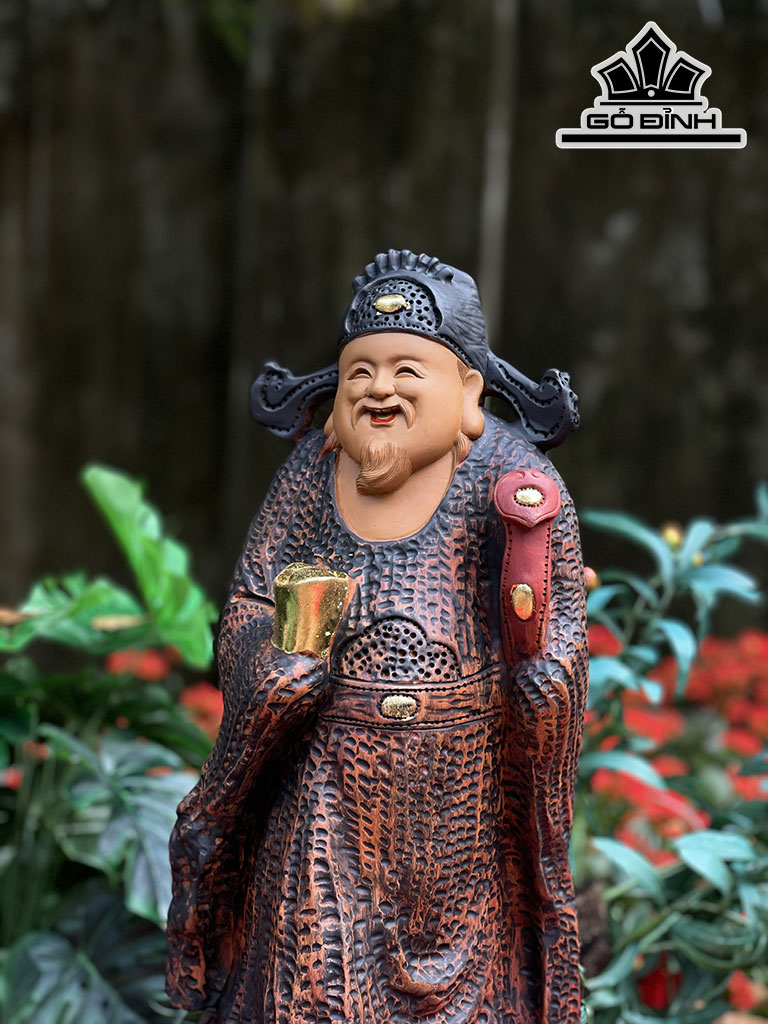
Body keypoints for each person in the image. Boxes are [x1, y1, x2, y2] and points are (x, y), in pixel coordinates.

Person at [166, 249, 588, 1024]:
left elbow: (560, 626)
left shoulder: (517, 482)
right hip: (326, 782)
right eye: (359, 372)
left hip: (462, 796)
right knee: (310, 983)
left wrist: (546, 674)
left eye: (405, 370)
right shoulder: (311, 473)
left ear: (468, 390)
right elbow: (252, 598)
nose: (379, 389)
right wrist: (272, 665)